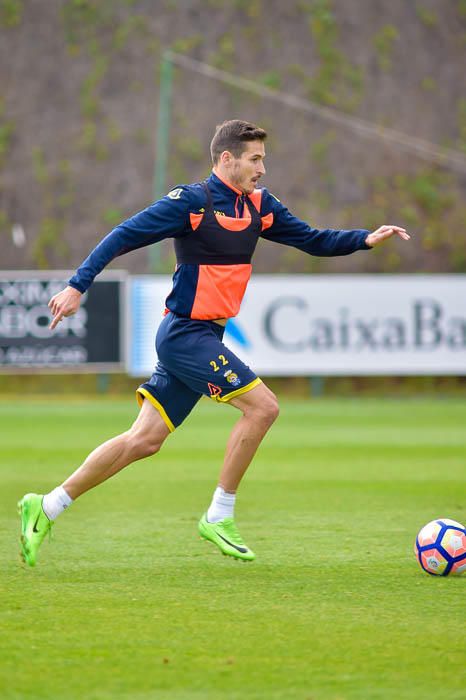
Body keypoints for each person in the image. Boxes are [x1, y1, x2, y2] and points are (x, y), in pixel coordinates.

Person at [18, 119, 410, 566]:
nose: (262, 168)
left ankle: (46, 505)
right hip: (185, 335)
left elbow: (312, 240)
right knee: (263, 407)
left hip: (205, 335)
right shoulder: (192, 202)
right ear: (227, 159)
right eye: (255, 159)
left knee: (143, 440)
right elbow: (123, 235)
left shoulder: (259, 206)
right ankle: (219, 515)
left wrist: (364, 238)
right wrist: (76, 285)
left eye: (263, 158)